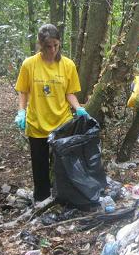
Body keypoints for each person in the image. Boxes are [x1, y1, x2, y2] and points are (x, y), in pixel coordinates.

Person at [14, 24, 88, 202]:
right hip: (37, 123)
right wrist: (21, 112)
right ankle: (41, 201)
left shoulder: (67, 65)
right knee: (39, 168)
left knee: (62, 167)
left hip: (62, 123)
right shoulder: (29, 64)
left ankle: (62, 199)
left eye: (56, 45)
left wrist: (78, 108)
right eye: (48, 46)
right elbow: (23, 91)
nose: (53, 50)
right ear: (40, 44)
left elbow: (69, 92)